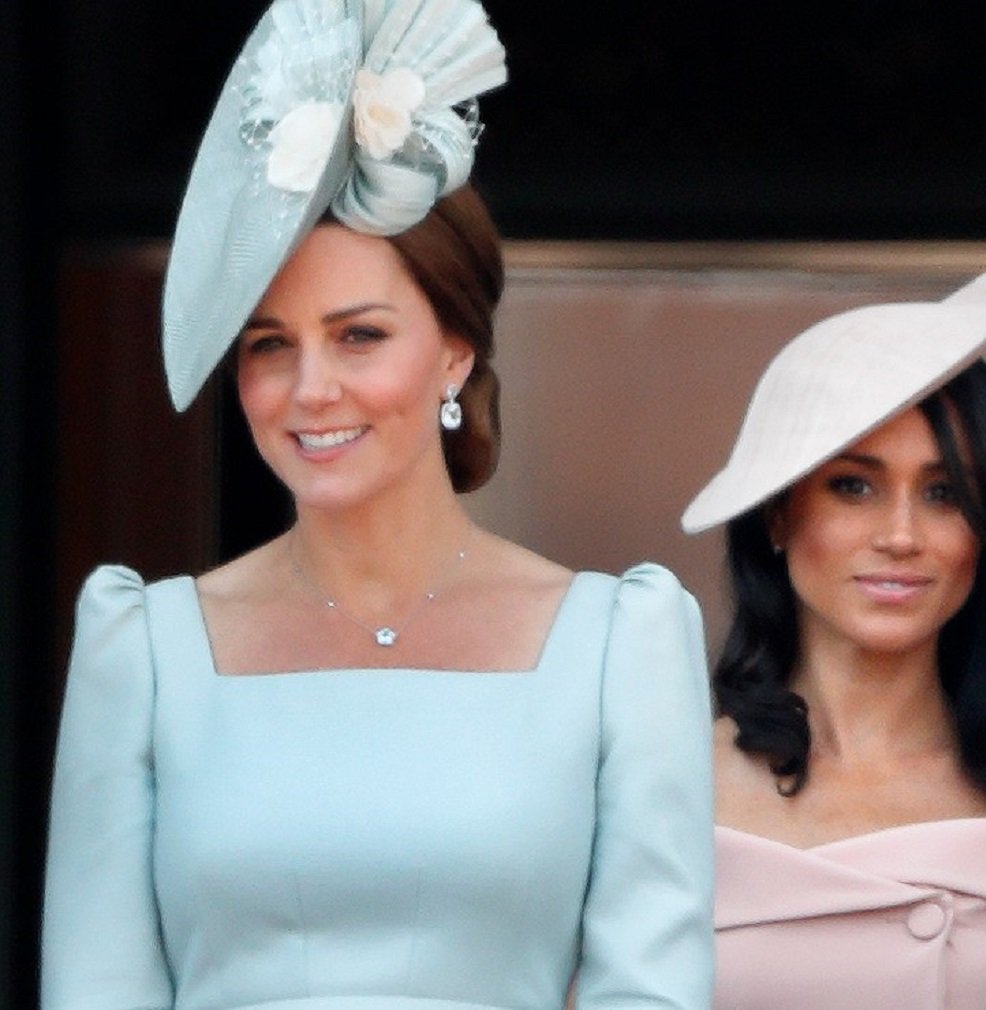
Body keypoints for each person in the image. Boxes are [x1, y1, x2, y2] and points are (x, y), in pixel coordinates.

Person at [41, 1, 714, 1007]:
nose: (311, 387)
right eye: (270, 344)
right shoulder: (140, 650)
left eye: (359, 335)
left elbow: (650, 989)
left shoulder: (619, 642)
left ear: (455, 348)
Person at [681, 216, 986, 1010]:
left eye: (945, 494)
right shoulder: (653, 787)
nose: (902, 536)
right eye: (854, 485)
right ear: (777, 516)